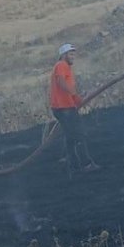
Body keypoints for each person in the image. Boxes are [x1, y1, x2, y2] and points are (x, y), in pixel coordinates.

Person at [50, 43, 99, 172]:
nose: (73, 57)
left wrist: (74, 99)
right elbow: (61, 81)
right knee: (79, 134)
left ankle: (73, 163)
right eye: (70, 54)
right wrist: (74, 95)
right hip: (64, 107)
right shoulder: (61, 65)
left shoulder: (64, 67)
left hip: (63, 107)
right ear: (63, 55)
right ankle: (86, 164)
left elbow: (64, 85)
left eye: (73, 54)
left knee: (70, 136)